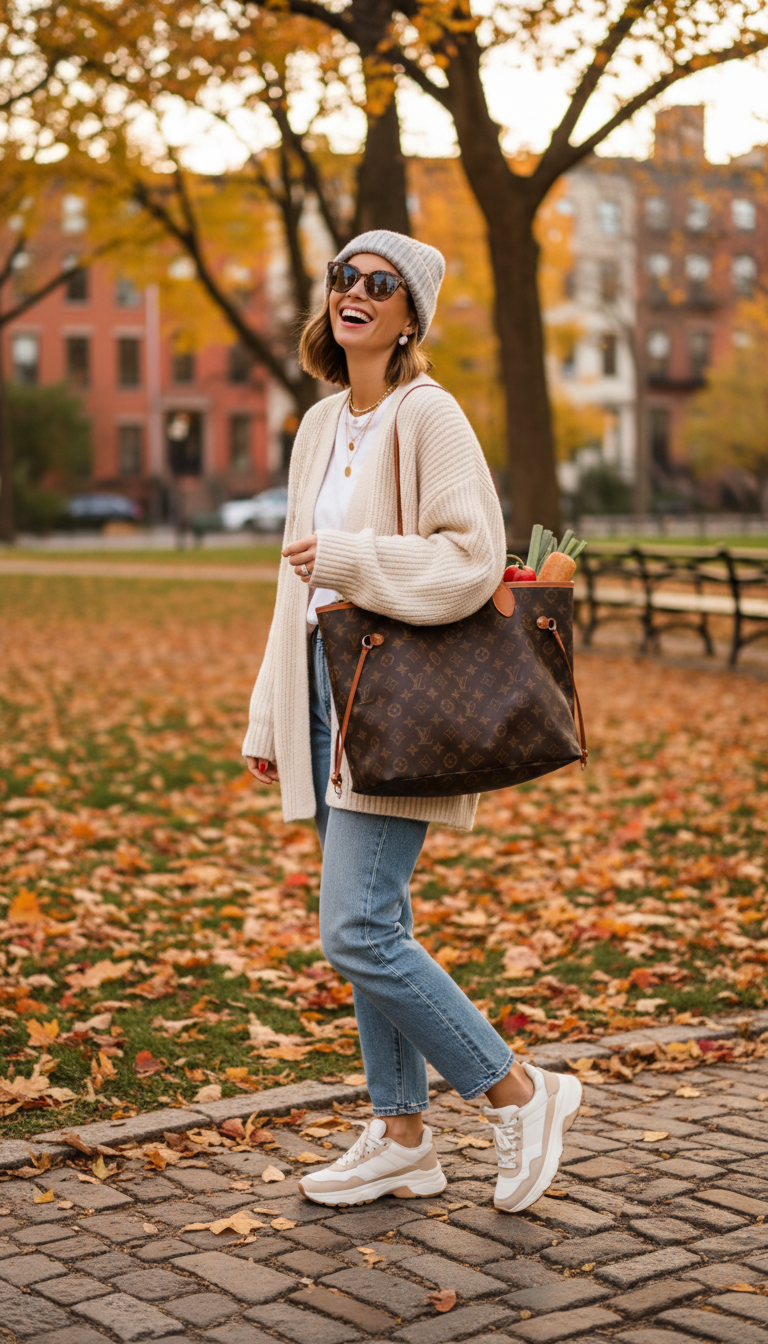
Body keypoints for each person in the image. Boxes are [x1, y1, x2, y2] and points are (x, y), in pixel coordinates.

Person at [243, 229, 581, 1211]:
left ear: (408, 317)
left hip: (394, 701)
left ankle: (521, 1091)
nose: (356, 292)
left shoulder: (428, 417)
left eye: (380, 285)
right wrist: (273, 719)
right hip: (322, 688)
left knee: (354, 927)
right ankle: (401, 1134)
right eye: (345, 276)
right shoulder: (317, 425)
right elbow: (287, 590)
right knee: (375, 922)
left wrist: (354, 559)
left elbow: (472, 559)